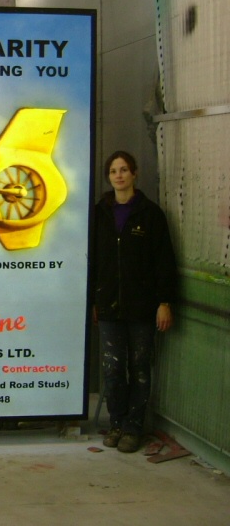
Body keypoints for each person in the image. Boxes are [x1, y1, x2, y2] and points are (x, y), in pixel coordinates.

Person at [93, 150, 177, 453]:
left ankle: (133, 427)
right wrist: (95, 300)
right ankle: (116, 422)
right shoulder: (99, 213)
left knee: (140, 366)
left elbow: (164, 262)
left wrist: (164, 301)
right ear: (108, 177)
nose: (119, 175)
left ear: (135, 174)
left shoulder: (151, 215)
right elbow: (94, 261)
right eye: (114, 170)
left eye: (124, 169)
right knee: (113, 368)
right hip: (110, 307)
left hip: (142, 307)